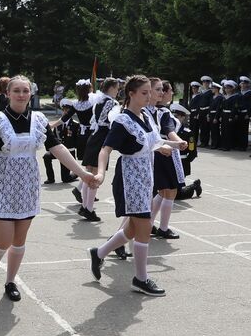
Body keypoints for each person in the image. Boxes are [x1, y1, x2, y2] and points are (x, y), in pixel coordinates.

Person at [0, 76, 98, 301]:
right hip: (3, 183)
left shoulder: (39, 120)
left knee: (19, 240)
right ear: (8, 94)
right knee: (3, 240)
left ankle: (11, 281)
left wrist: (83, 174)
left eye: (25, 91)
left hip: (28, 184)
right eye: (17, 91)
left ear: (30, 94)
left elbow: (57, 148)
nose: (21, 95)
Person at [88, 75, 172, 297]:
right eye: (144, 93)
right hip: (130, 180)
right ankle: (140, 279)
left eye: (149, 92)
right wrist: (100, 172)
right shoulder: (122, 122)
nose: (149, 96)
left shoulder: (145, 116)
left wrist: (165, 146)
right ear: (131, 94)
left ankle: (99, 252)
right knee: (144, 227)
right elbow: (105, 149)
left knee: (133, 229)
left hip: (146, 178)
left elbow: (153, 141)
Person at [149, 80, 188, 240]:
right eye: (168, 90)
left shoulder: (156, 111)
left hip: (160, 150)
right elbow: (169, 131)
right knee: (170, 191)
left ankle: (149, 223)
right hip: (165, 153)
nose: (171, 93)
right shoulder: (162, 112)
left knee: (163, 191)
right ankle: (163, 228)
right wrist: (178, 142)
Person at [77, 77, 121, 222]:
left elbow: (96, 120)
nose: (118, 90)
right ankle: (88, 209)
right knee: (94, 175)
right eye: (116, 88)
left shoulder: (99, 101)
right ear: (111, 88)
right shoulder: (111, 102)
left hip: (94, 135)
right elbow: (104, 120)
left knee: (89, 173)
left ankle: (85, 206)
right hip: (101, 136)